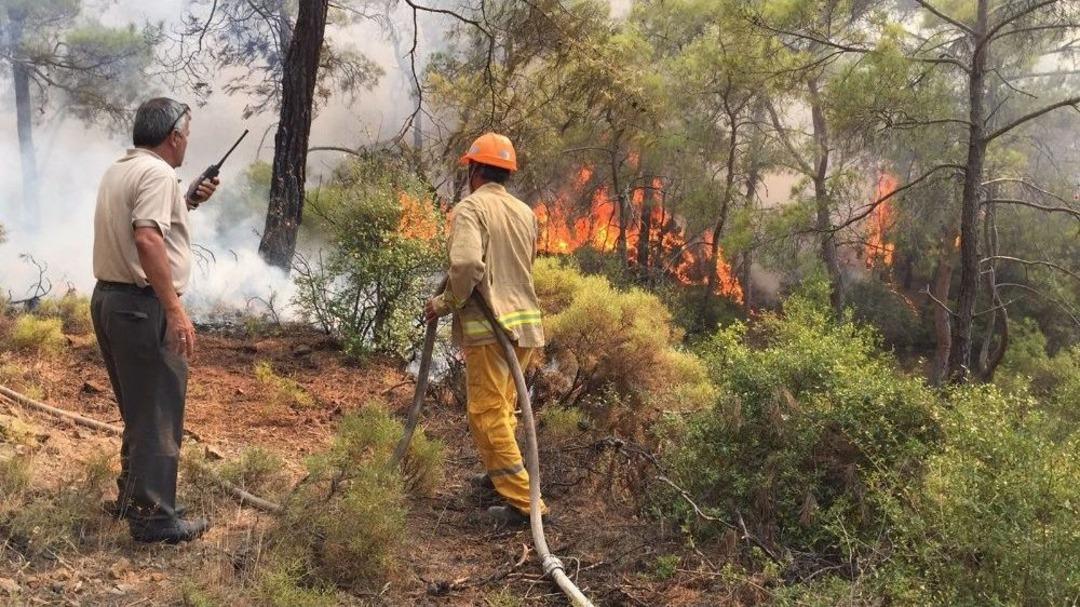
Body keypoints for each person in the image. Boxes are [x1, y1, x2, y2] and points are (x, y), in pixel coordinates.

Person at [91, 97, 219, 543]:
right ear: (174, 137)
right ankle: (154, 518)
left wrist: (186, 203)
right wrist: (174, 308)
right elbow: (146, 239)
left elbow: (142, 230)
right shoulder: (158, 173)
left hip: (110, 301)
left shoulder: (122, 168)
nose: (186, 144)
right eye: (186, 135)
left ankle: (132, 498)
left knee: (140, 408)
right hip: (142, 307)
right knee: (159, 411)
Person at [425, 133, 548, 526]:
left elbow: (465, 266)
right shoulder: (525, 212)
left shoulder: (470, 209)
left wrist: (444, 304)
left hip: (490, 330)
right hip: (525, 327)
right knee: (505, 410)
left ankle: (524, 506)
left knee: (487, 414)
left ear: (475, 170)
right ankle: (502, 475)